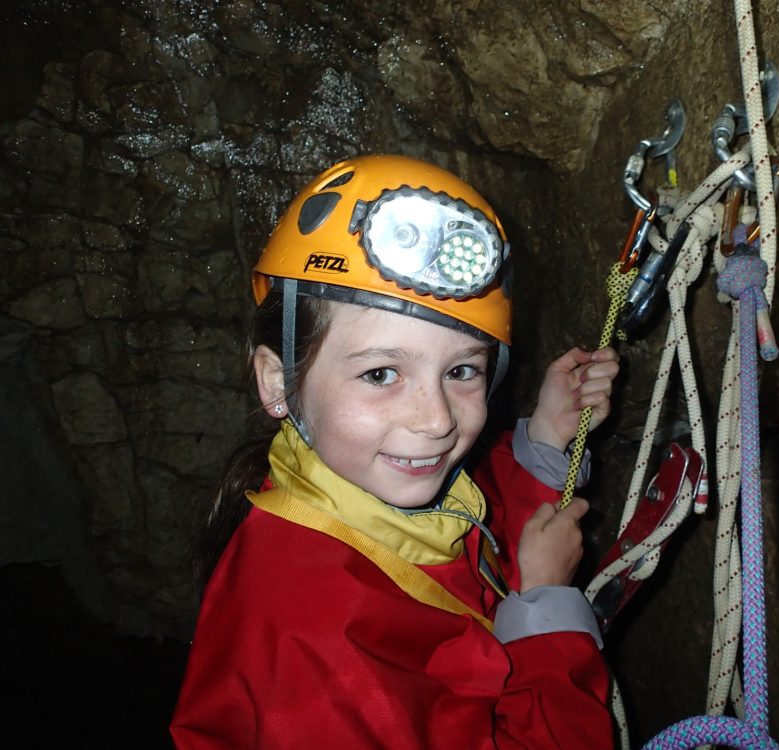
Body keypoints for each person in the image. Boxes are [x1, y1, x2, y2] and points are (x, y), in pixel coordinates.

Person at [170, 154, 620, 749]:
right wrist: (548, 620)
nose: (435, 420)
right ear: (279, 383)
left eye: (462, 369)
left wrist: (543, 440)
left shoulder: (348, 492)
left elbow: (452, 536)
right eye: (382, 374)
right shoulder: (313, 661)